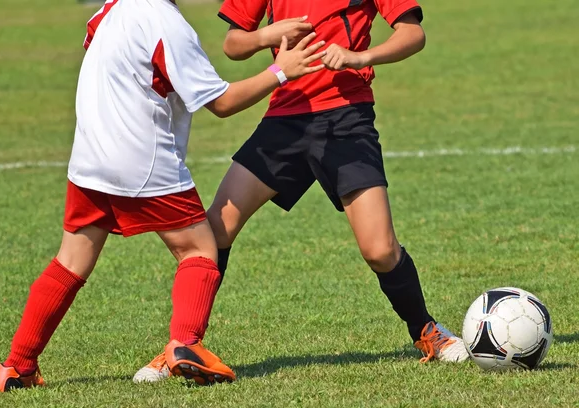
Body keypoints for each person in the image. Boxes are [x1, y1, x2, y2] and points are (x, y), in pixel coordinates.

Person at [0, 0, 326, 392]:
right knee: (200, 249)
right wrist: (279, 72)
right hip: (140, 157)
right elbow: (220, 102)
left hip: (88, 157)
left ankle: (16, 367)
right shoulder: (165, 21)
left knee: (71, 260)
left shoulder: (112, 8)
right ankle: (186, 345)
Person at [133, 0, 470, 383]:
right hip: (284, 120)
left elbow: (413, 33)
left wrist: (361, 57)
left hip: (346, 119)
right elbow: (233, 44)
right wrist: (269, 36)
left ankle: (426, 331)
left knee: (379, 250)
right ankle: (182, 343)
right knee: (215, 230)